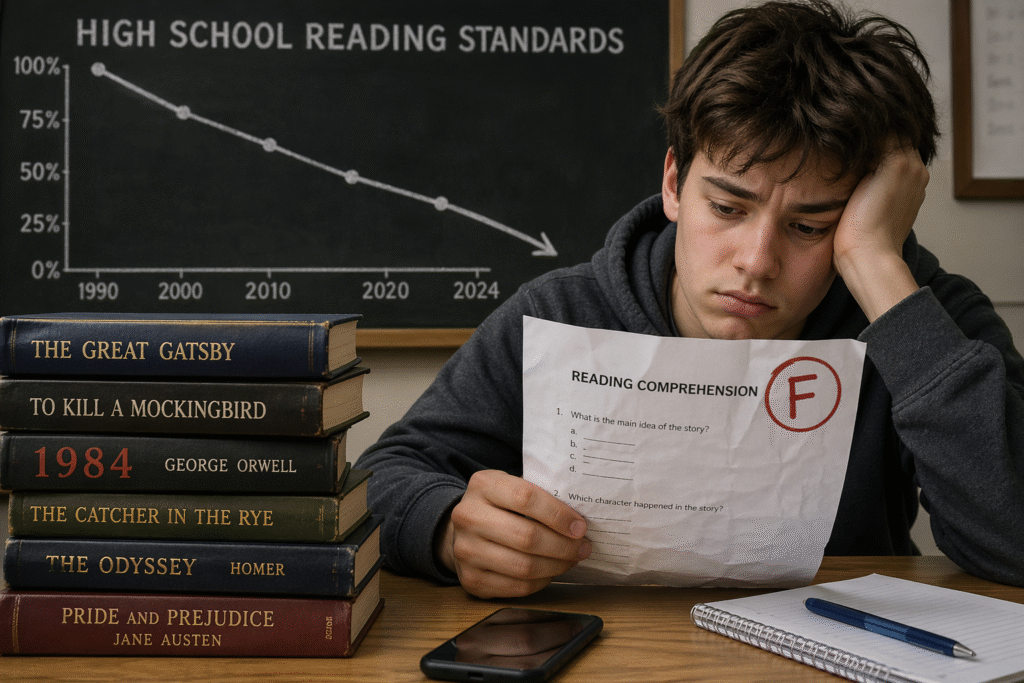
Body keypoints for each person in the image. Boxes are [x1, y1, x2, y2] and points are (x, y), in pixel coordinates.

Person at [355, 0, 1024, 598]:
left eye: (810, 227)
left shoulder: (929, 321)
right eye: (728, 207)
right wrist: (446, 527)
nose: (756, 262)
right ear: (674, 184)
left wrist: (878, 267)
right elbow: (381, 479)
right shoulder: (558, 313)